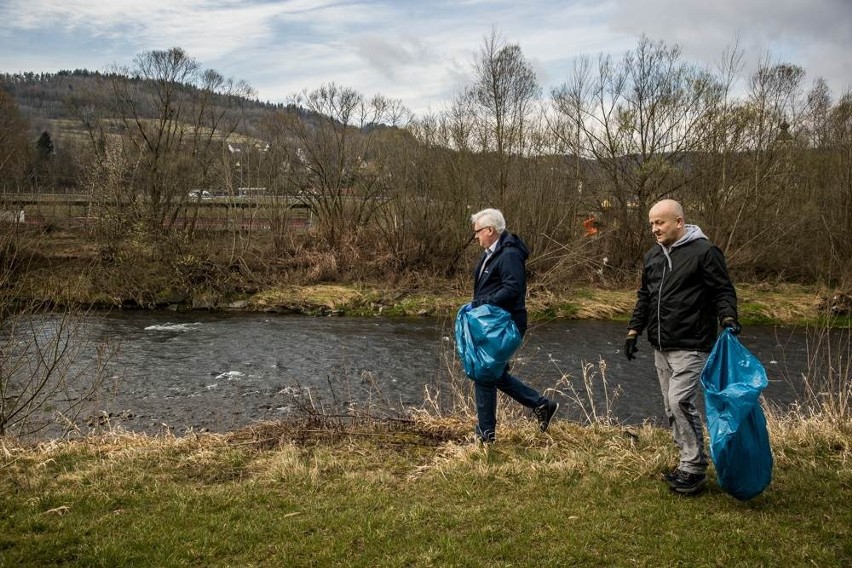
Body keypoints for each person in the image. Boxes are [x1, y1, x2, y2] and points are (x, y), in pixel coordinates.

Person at [624, 199, 740, 494]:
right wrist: (633, 330)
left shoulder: (705, 252)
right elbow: (645, 297)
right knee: (670, 406)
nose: (654, 229)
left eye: (659, 223)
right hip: (661, 344)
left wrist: (728, 317)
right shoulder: (653, 256)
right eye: (651, 224)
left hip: (693, 343)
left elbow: (722, 290)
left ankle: (694, 468)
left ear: (679, 221)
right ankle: (687, 462)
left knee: (679, 402)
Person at [469, 208, 558, 443]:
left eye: (477, 232)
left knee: (485, 372)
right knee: (493, 373)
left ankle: (485, 435)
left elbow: (512, 289)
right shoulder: (491, 253)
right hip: (491, 323)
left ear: (490, 230)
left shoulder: (508, 254)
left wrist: (482, 303)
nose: (475, 236)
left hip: (505, 324)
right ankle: (541, 404)